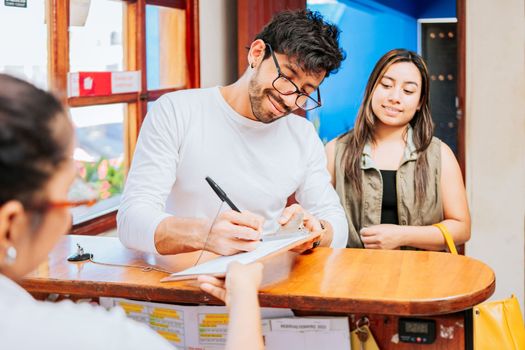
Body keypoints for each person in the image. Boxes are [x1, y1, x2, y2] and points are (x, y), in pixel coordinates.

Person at [0, 73, 264, 350]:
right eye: (68, 196)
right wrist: (244, 297)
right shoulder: (83, 337)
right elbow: (133, 216)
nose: (67, 218)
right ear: (10, 225)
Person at [117, 9, 348, 256]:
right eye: (287, 78)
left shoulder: (302, 135)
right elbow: (131, 220)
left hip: (258, 281)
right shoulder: (177, 110)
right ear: (257, 54)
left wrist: (317, 232)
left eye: (305, 91)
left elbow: (336, 221)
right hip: (181, 282)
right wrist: (204, 235)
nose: (291, 101)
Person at [325, 49, 471, 250]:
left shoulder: (440, 154)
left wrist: (403, 236)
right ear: (372, 89)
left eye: (408, 91)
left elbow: (462, 229)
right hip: (353, 278)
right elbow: (321, 220)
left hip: (422, 278)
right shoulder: (336, 151)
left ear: (420, 102)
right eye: (386, 85)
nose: (395, 97)